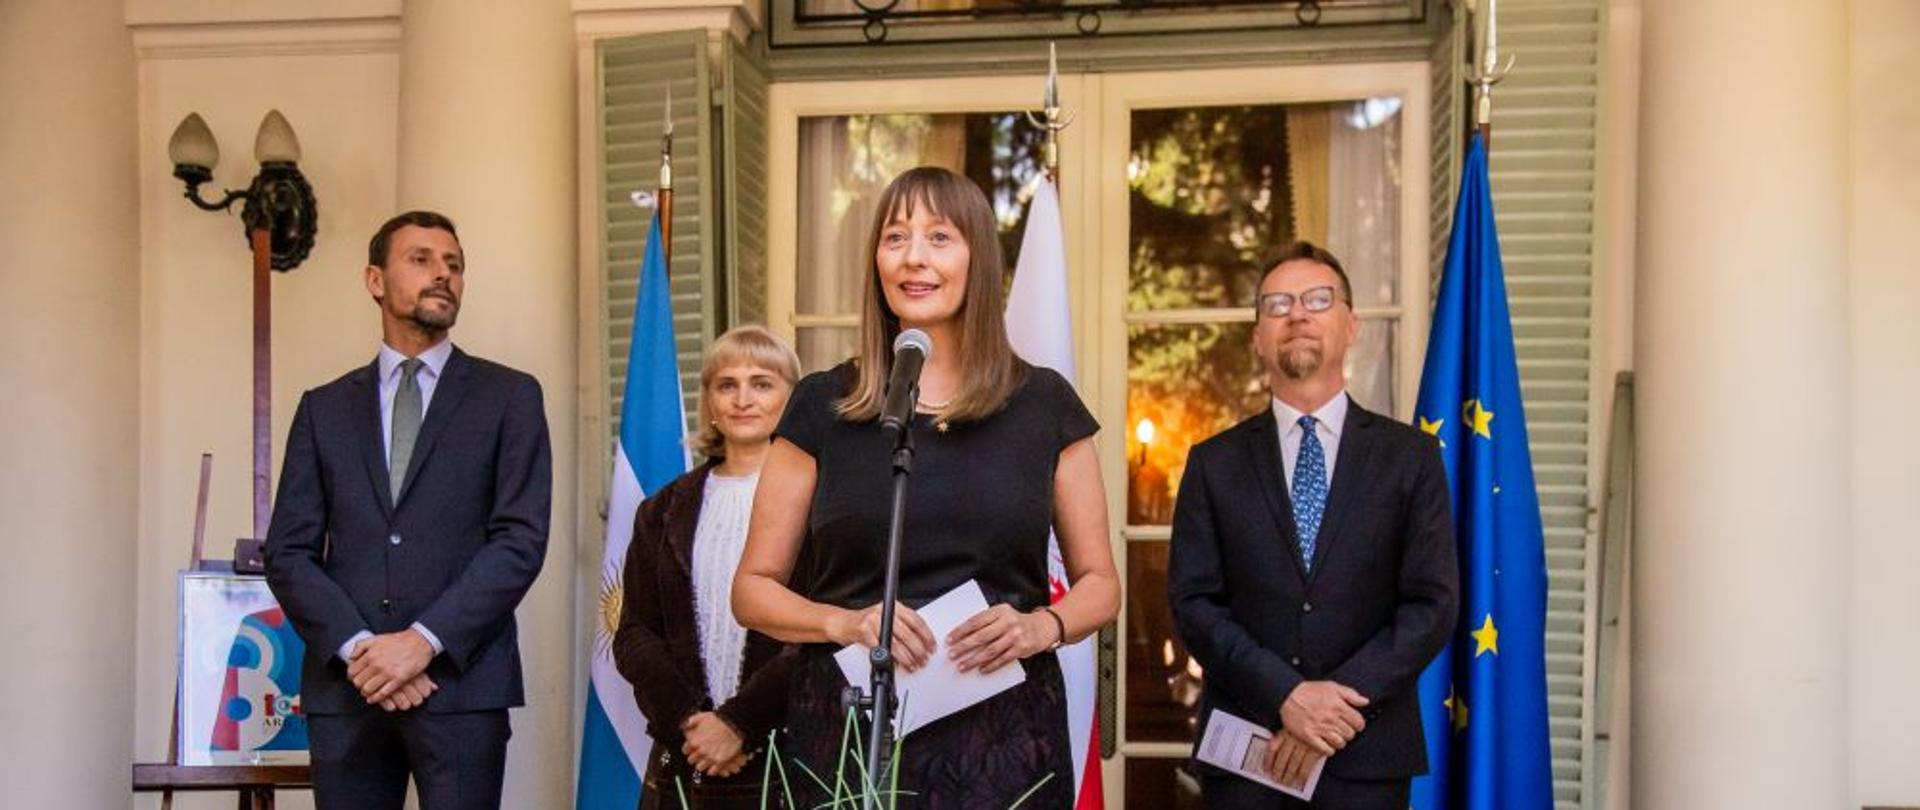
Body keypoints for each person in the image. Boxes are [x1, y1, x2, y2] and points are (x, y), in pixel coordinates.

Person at [731, 166, 1120, 809]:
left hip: (1003, 740)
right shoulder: (820, 404)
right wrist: (847, 622)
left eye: (940, 237)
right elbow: (752, 591)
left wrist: (1042, 626)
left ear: (978, 260)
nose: (914, 257)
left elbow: (1102, 584)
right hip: (848, 731)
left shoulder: (1045, 404)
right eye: (895, 237)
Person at [264, 210, 550, 810]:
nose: (442, 275)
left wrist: (422, 643)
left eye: (454, 265)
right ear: (375, 280)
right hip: (349, 689)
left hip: (462, 686)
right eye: (420, 260)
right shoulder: (323, 409)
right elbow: (288, 552)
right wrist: (361, 649)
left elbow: (520, 540)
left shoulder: (511, 396)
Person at [1167, 241, 1458, 809]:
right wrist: (1287, 697)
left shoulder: (1411, 458)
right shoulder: (1213, 462)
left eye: (1317, 300)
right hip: (1249, 755)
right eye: (1277, 305)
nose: (1297, 314)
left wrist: (1332, 709)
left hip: (1366, 755)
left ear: (1351, 326)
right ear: (1257, 337)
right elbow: (1194, 602)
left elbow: (1432, 602)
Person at [613, 325, 804, 809]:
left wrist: (739, 724)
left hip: (787, 759)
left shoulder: (820, 506)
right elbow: (634, 635)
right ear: (711, 403)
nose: (743, 398)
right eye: (727, 384)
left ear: (792, 398)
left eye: (762, 383)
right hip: (685, 760)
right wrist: (694, 725)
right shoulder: (661, 510)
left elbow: (824, 632)